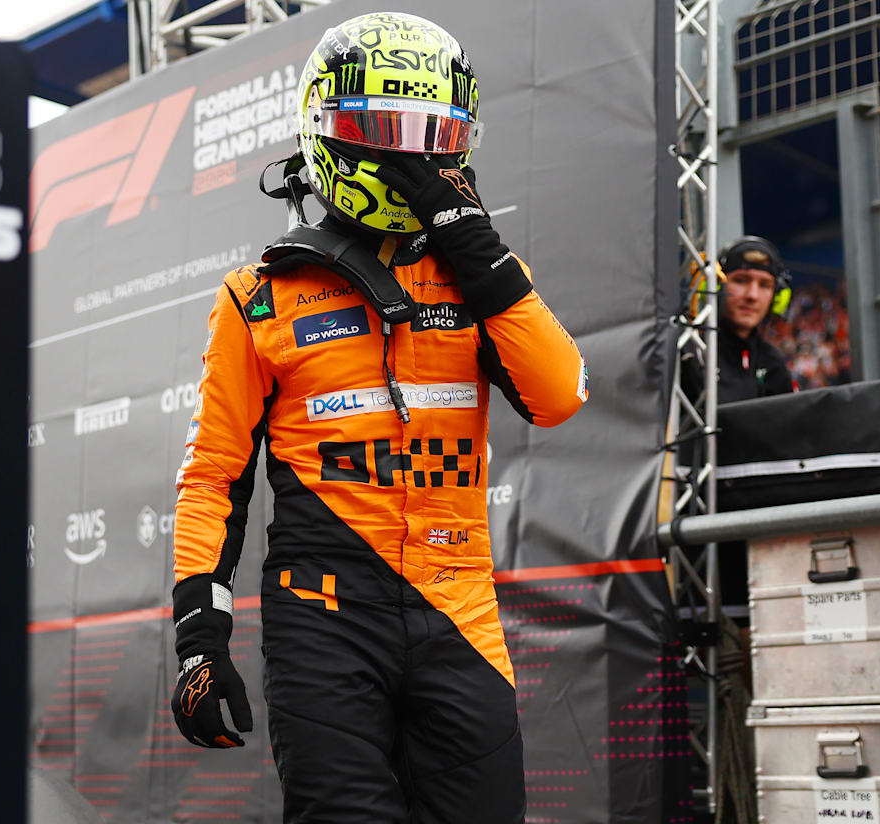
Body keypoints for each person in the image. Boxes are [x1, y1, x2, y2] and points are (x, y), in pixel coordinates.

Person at [166, 12, 587, 823]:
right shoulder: (257, 295)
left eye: (432, 134)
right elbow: (214, 476)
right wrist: (199, 637)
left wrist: (477, 247)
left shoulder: (486, 278)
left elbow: (559, 394)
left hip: (459, 608)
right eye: (384, 130)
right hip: (322, 620)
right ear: (329, 132)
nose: (410, 155)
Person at [684, 235, 796, 405]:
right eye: (741, 281)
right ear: (715, 285)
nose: (752, 295)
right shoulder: (690, 351)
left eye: (764, 285)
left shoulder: (774, 365)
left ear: (777, 297)